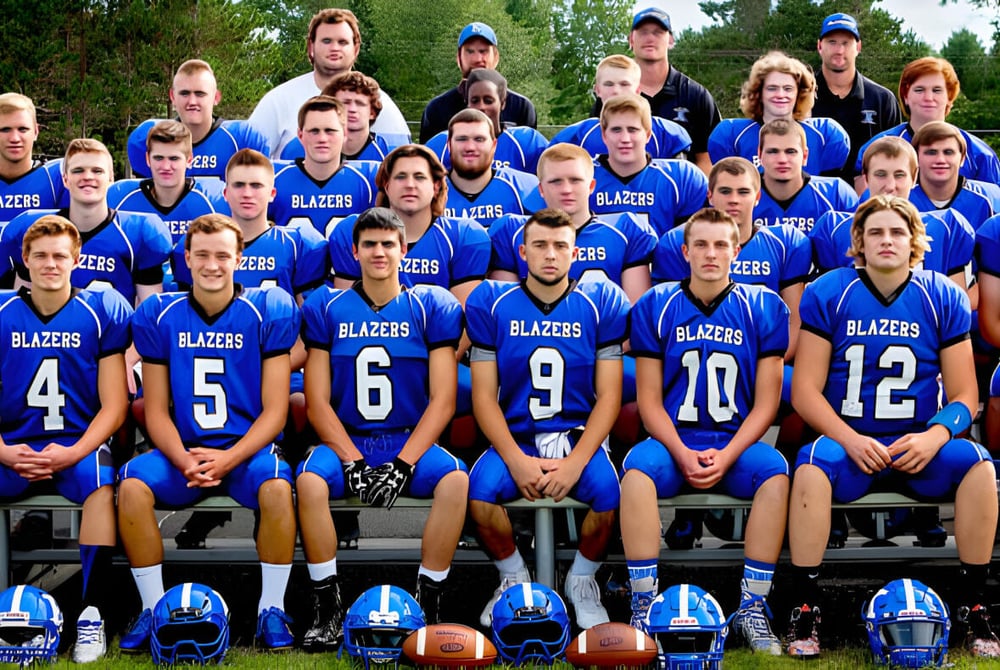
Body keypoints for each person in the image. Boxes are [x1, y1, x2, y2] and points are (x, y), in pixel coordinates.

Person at [786, 195, 999, 658]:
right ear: (858, 242)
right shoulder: (830, 291)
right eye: (876, 232)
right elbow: (804, 391)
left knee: (979, 466)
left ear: (914, 242)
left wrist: (935, 435)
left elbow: (966, 396)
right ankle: (806, 606)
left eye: (897, 232)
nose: (887, 241)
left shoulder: (940, 293)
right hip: (850, 444)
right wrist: (849, 438)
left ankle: (974, 604)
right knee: (809, 470)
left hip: (917, 444)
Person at [117, 213, 300, 652]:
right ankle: (154, 607)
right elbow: (156, 410)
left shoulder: (267, 310)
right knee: (132, 485)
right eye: (202, 254)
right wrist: (183, 459)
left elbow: (275, 412)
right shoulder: (161, 314)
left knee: (277, 488)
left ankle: (270, 608)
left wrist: (228, 459)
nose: (212, 264)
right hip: (184, 452)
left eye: (222, 255)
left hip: (245, 453)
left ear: (240, 257)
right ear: (186, 258)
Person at [621, 207, 790, 656]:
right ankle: (642, 602)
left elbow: (767, 403)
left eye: (721, 245)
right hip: (673, 441)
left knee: (775, 471)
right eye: (701, 244)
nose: (711, 253)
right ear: (685, 250)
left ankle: (753, 605)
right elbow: (650, 401)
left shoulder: (763, 307)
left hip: (734, 442)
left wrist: (731, 452)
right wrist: (677, 449)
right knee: (636, 472)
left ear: (737, 250)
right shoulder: (657, 306)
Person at [296, 207, 468, 647]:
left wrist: (405, 464)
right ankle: (327, 605)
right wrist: (351, 460)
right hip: (347, 438)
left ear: (404, 250)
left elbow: (443, 399)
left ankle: (428, 600)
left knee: (455, 481)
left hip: (407, 437)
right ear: (353, 251)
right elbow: (316, 400)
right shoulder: (327, 306)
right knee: (311, 483)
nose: (378, 252)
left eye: (388, 244)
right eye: (369, 244)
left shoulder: (430, 306)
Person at [467, 208, 629, 630]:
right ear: (522, 252)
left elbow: (610, 396)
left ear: (576, 253)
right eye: (539, 245)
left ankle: (581, 580)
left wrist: (576, 463)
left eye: (560, 246)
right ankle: (513, 575)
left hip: (576, 435)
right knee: (480, 495)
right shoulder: (494, 302)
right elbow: (484, 397)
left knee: (609, 496)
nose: (550, 254)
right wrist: (515, 460)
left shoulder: (600, 302)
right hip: (517, 435)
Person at [0, 216, 130, 663]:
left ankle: (91, 611)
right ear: (24, 260)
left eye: (59, 256)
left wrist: (74, 451)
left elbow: (114, 405)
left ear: (77, 259)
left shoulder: (100, 311)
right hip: (12, 445)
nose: (50, 264)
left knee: (99, 479)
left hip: (76, 445)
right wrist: (1, 449)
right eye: (40, 256)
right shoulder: (1, 312)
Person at [1, 139, 172, 307]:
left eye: (97, 171)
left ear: (111, 178)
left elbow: (149, 315)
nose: (87, 177)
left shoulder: (137, 232)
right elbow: (23, 310)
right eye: (78, 170)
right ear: (65, 179)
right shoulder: (34, 229)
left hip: (113, 335)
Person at [490, 142, 655, 305]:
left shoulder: (624, 230)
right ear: (540, 189)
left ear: (591, 186)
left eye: (575, 180)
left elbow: (635, 311)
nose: (566, 189)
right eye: (556, 182)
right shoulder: (514, 233)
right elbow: (507, 308)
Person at [811, 136, 974, 290]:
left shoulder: (945, 226)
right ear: (866, 178)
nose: (890, 185)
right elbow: (828, 298)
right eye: (880, 175)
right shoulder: (834, 227)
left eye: (899, 175)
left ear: (914, 176)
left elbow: (954, 301)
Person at [249, 8, 410, 158]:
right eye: (326, 41)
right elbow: (246, 161)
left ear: (356, 49)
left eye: (342, 42)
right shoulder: (278, 100)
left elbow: (402, 164)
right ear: (311, 46)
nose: (334, 48)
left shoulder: (380, 103)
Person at [854, 57, 1000, 188]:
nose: (928, 97)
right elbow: (863, 205)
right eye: (919, 90)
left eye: (937, 90)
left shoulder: (980, 155)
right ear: (905, 96)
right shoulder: (876, 148)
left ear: (950, 97)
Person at [613, 7, 721, 175]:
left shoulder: (696, 95)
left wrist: (697, 197)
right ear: (631, 40)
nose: (650, 38)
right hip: (625, 196)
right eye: (643, 32)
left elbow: (707, 160)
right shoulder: (614, 94)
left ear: (670, 40)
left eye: (658, 32)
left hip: (681, 196)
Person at [708, 51, 850, 176]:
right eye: (772, 88)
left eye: (788, 88)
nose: (780, 94)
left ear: (799, 93)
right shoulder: (732, 134)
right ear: (759, 93)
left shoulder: (824, 135)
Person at [126, 59, 270, 180]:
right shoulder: (148, 137)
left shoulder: (242, 139)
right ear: (172, 97)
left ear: (216, 97)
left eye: (200, 94)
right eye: (184, 93)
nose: (192, 101)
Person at [590, 94, 708, 236]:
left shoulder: (679, 179)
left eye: (633, 130)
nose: (625, 139)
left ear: (647, 135)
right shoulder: (582, 177)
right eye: (616, 130)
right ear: (604, 135)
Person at [811, 13, 902, 185]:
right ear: (819, 46)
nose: (839, 50)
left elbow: (895, 157)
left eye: (846, 43)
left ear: (858, 47)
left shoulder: (882, 99)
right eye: (832, 42)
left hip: (870, 200)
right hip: (814, 200)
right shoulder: (802, 97)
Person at [268, 96, 377, 236]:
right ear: (300, 135)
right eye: (314, 131)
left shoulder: (367, 179)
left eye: (330, 131)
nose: (322, 139)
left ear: (344, 134)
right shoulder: (273, 178)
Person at [549, 55, 691, 160]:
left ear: (638, 91)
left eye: (624, 84)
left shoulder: (663, 133)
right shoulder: (578, 136)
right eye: (609, 84)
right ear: (597, 90)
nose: (616, 91)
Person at [109, 120, 226, 247]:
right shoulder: (122, 200)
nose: (165, 166)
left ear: (189, 160)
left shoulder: (212, 201)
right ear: (148, 159)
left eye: (174, 158)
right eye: (158, 158)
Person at [419, 21, 536, 144]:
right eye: (470, 51)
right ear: (458, 58)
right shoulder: (437, 109)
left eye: (483, 51)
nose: (477, 59)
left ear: (496, 57)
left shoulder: (521, 107)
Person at [425, 69, 547, 175]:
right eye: (475, 100)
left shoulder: (526, 143)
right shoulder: (442, 144)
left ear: (502, 103)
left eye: (488, 101)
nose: (481, 107)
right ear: (467, 103)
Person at [751, 119, 858, 231]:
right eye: (773, 151)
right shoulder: (741, 194)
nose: (782, 159)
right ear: (759, 154)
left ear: (805, 156)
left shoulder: (836, 194)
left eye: (790, 151)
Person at [440, 108, 538, 229]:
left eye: (479, 139)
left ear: (494, 145)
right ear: (449, 145)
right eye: (462, 139)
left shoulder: (524, 187)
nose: (470, 147)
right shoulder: (430, 191)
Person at [279, 72, 399, 162]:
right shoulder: (297, 149)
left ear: (372, 112)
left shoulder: (389, 154)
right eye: (345, 103)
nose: (352, 109)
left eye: (360, 104)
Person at [907, 121, 999, 231]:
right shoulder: (904, 200)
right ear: (916, 157)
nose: (940, 160)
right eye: (931, 152)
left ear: (962, 158)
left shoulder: (984, 203)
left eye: (948, 152)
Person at [0, 93, 65, 228]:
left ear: (36, 131)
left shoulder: (57, 178)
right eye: (5, 130)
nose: (15, 138)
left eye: (22, 129)